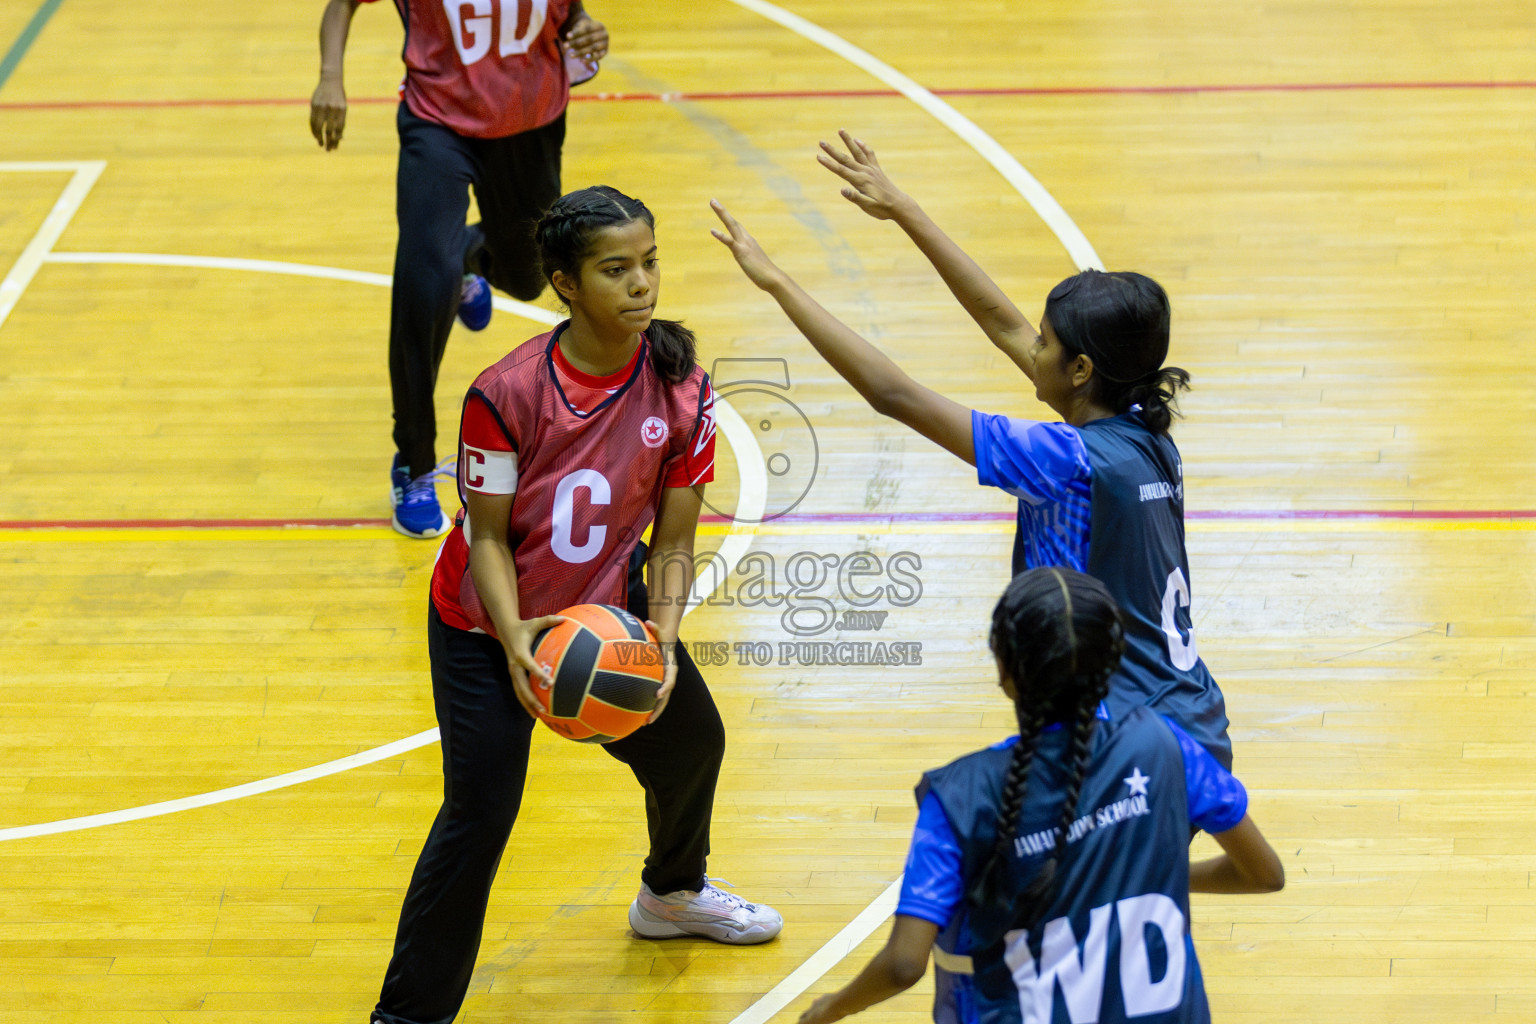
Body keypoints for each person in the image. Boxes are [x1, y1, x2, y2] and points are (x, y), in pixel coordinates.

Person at [370, 185, 781, 1024]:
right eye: (615, 269)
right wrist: (516, 637)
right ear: (563, 281)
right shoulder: (505, 393)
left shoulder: (685, 391)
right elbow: (486, 539)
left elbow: (671, 544)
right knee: (478, 814)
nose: (641, 285)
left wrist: (660, 644)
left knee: (693, 741)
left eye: (650, 263)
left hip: (608, 606)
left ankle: (671, 895)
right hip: (489, 624)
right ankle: (407, 1015)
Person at [710, 149, 1232, 769]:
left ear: (1083, 370)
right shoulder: (1150, 433)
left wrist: (778, 283)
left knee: (1064, 867)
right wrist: (904, 210)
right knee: (1155, 873)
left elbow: (893, 395)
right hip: (1193, 717)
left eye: (1046, 343)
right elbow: (1001, 323)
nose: (1030, 346)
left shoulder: (1061, 459)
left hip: (1118, 740)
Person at [797, 568, 1283, 1023]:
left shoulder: (960, 796)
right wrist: (1150, 877)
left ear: (1004, 671)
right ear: (1113, 663)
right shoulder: (1165, 743)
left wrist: (827, 1010)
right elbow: (1264, 875)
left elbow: (904, 965)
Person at [310, 0, 609, 538]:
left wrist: (586, 31)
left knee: (526, 275)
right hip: (437, 123)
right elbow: (342, 5)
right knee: (423, 287)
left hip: (530, 122)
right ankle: (415, 464)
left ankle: (469, 259)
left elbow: (571, 18)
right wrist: (331, 77)